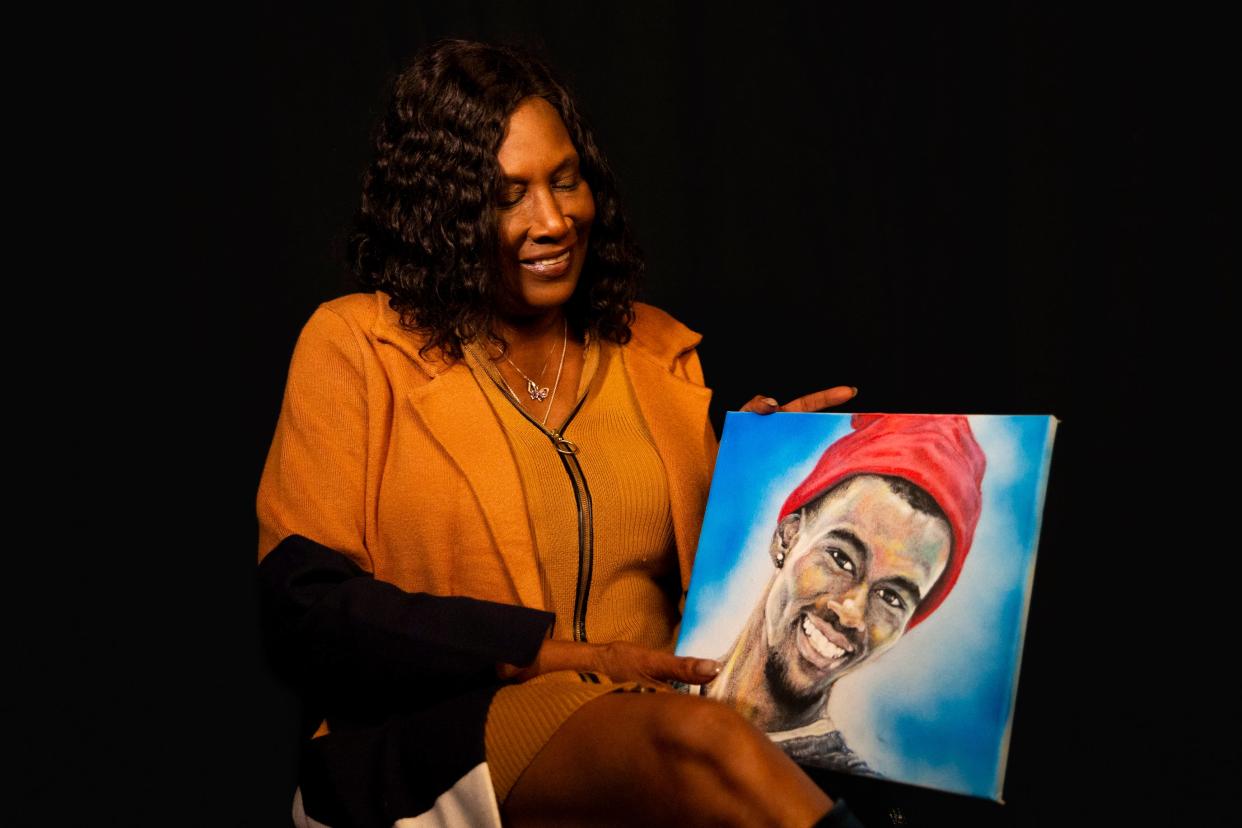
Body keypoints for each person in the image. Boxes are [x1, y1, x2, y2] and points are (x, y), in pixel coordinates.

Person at [256, 39, 862, 828]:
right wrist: (563, 658)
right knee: (699, 744)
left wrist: (766, 482)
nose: (553, 220)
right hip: (450, 734)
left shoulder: (654, 353)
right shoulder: (357, 349)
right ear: (444, 213)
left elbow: (720, 606)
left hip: (661, 722)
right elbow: (307, 613)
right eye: (507, 195)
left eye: (565, 181)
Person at [698, 414, 986, 774]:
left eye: (892, 598)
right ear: (787, 538)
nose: (851, 611)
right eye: (841, 558)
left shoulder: (851, 797)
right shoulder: (659, 692)